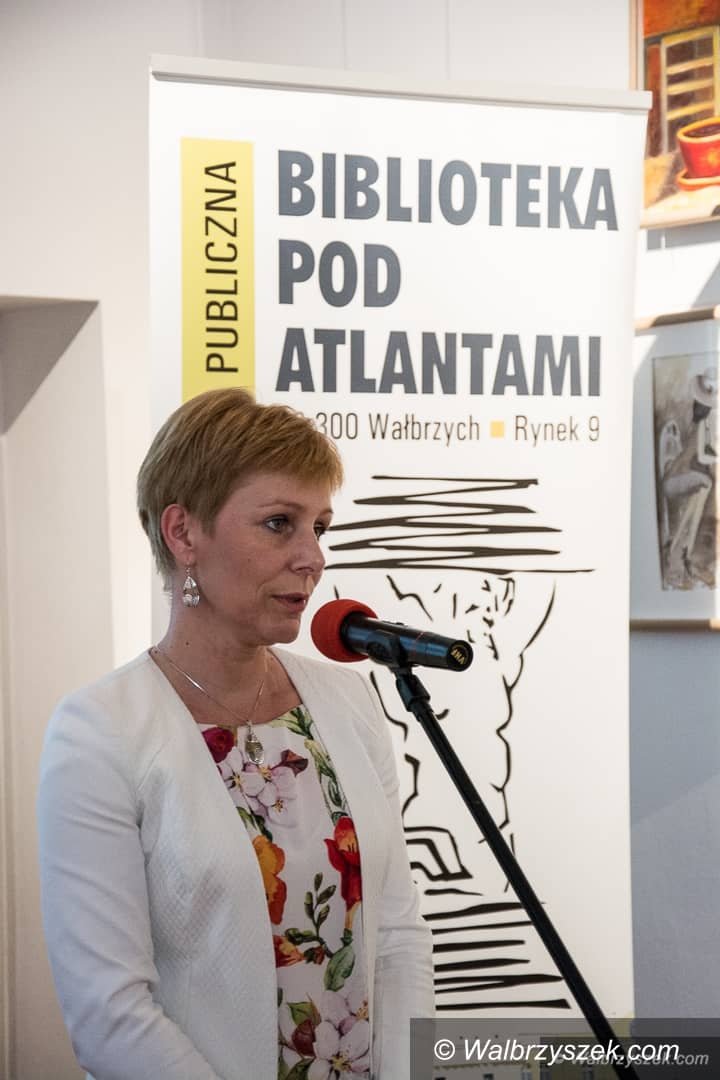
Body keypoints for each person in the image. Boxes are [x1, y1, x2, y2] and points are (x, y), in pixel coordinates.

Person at [37, 388, 434, 1080]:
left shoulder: (347, 700)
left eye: (320, 527)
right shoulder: (99, 733)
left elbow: (398, 937)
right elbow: (109, 1014)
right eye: (280, 524)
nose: (312, 557)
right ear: (183, 534)